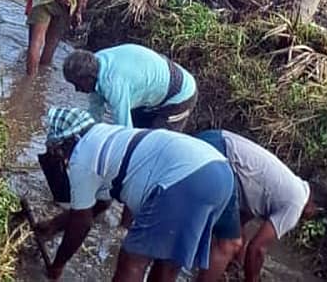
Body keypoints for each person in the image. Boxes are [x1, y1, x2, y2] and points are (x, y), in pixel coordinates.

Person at [35, 107, 233, 281]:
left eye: (58, 150)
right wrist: (54, 225)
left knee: (132, 262)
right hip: (220, 173)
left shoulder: (82, 156)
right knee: (167, 263)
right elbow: (100, 204)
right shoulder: (106, 135)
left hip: (186, 178)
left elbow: (82, 223)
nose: (62, 157)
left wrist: (56, 266)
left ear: (70, 140)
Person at [193, 130, 327, 282]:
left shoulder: (284, 187)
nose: (306, 220)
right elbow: (257, 248)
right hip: (218, 155)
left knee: (230, 238)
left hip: (212, 139)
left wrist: (238, 265)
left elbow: (239, 225)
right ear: (315, 209)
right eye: (313, 217)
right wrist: (252, 278)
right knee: (228, 244)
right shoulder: (296, 205)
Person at [62, 43, 198, 130]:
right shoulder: (95, 63)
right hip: (152, 85)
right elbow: (94, 113)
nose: (77, 90)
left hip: (180, 96)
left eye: (77, 85)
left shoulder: (113, 84)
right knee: (139, 133)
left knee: (153, 147)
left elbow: (124, 132)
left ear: (88, 79)